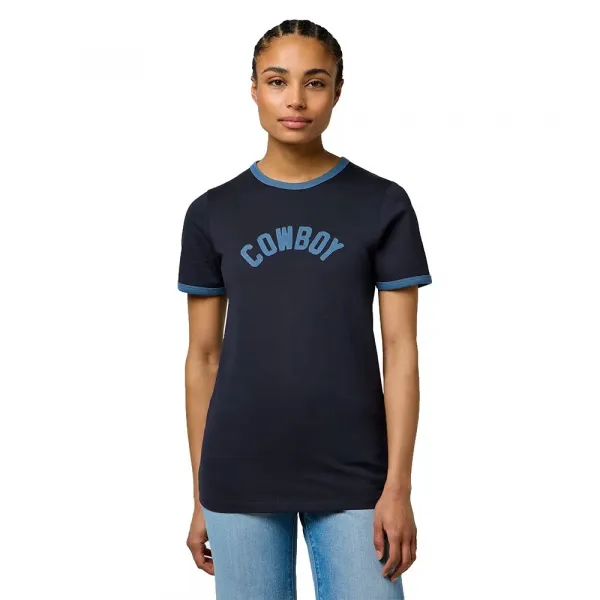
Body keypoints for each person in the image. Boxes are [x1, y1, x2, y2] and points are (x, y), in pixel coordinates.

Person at [178, 18, 432, 600]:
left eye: (315, 82)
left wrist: (398, 487)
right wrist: (199, 495)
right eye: (277, 81)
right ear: (254, 89)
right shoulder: (212, 212)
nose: (295, 99)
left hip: (356, 472)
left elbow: (401, 351)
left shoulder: (382, 203)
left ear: (338, 91)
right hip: (238, 472)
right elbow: (203, 359)